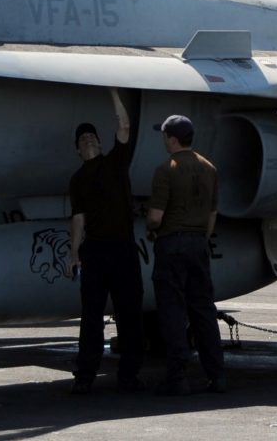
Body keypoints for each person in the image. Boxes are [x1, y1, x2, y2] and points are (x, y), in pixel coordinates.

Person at [67, 88, 145, 394]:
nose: (88, 140)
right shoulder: (77, 179)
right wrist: (74, 253)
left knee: (130, 313)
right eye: (83, 139)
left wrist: (112, 90)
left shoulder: (115, 162)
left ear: (100, 143)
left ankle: (129, 375)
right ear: (78, 150)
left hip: (123, 248)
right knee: (91, 317)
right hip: (95, 251)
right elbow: (78, 218)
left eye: (92, 137)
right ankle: (85, 375)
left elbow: (124, 126)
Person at [146, 115, 224, 395]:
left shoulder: (165, 170)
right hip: (199, 244)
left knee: (172, 311)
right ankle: (217, 375)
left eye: (164, 135)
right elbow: (212, 214)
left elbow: (156, 217)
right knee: (203, 310)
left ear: (172, 139)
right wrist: (201, 237)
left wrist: (150, 228)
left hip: (172, 245)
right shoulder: (209, 168)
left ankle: (178, 377)